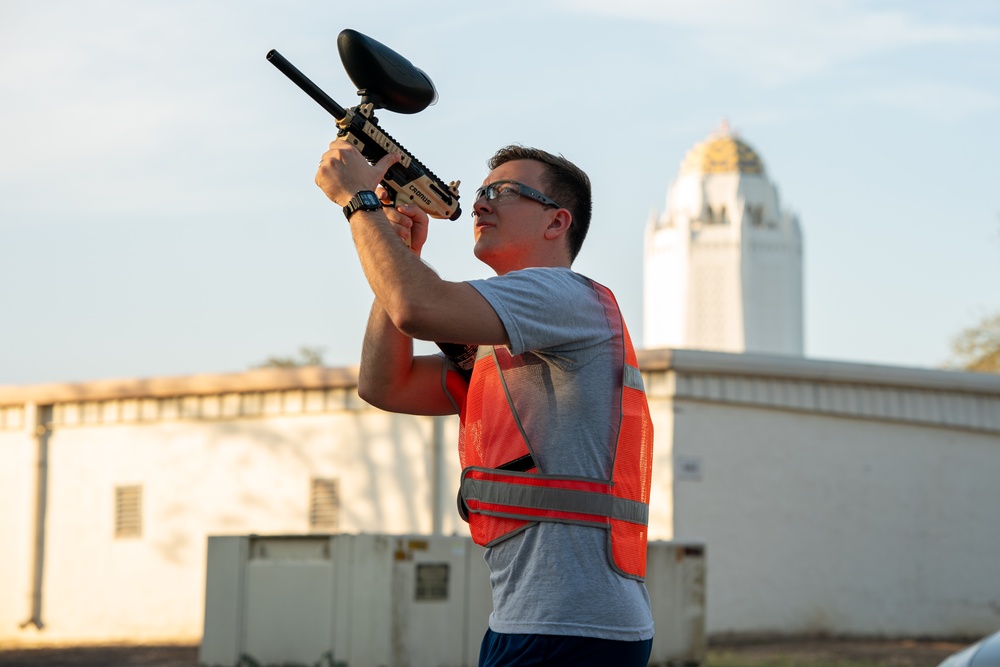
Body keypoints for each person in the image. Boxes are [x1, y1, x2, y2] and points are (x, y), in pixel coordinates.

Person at [315, 140, 655, 667]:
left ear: (556, 222)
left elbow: (416, 306)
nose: (479, 203)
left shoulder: (565, 295)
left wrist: (359, 202)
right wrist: (399, 250)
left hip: (573, 625)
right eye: (480, 191)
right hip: (532, 621)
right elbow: (384, 384)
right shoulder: (504, 346)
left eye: (505, 192)